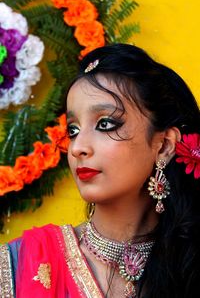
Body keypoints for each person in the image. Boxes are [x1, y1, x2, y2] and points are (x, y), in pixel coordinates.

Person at [0, 43, 200, 298]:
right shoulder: (19, 265)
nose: (78, 148)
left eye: (105, 123)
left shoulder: (189, 265)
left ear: (164, 146)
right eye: (73, 130)